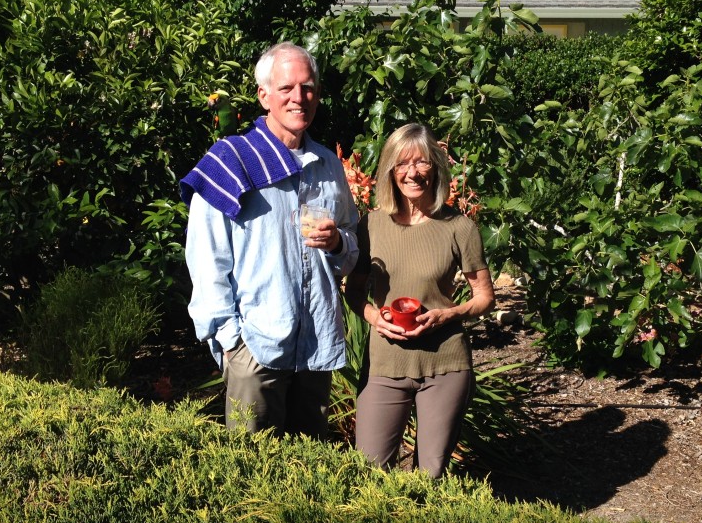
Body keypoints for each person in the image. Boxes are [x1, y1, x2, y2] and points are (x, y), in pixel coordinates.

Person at [180, 42, 359, 439]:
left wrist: (336, 244)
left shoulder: (328, 166)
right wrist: (231, 342)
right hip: (257, 348)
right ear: (264, 95)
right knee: (252, 477)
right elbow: (207, 259)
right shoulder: (231, 161)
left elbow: (351, 244)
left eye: (309, 88)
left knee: (309, 473)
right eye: (287, 88)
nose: (300, 98)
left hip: (315, 348)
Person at [343, 123, 495, 477]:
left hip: (445, 363)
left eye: (421, 163)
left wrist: (446, 315)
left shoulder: (459, 227)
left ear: (436, 167)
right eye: (401, 164)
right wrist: (372, 317)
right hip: (386, 364)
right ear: (390, 171)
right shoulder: (371, 226)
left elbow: (484, 298)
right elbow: (353, 291)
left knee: (431, 474)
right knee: (369, 471)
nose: (412, 173)